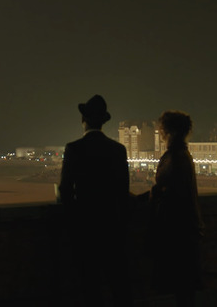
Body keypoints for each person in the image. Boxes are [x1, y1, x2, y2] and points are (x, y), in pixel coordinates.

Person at [58, 94, 131, 304]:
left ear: (83, 121)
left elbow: (65, 189)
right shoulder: (118, 150)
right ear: (103, 122)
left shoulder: (74, 148)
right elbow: (122, 191)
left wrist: (74, 217)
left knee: (89, 284)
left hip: (85, 227)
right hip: (112, 225)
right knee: (119, 283)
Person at [149, 109, 204, 305]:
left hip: (177, 231)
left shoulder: (175, 157)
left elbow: (168, 192)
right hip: (185, 230)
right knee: (185, 288)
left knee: (181, 287)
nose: (159, 132)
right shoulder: (183, 155)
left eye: (161, 129)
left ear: (168, 131)